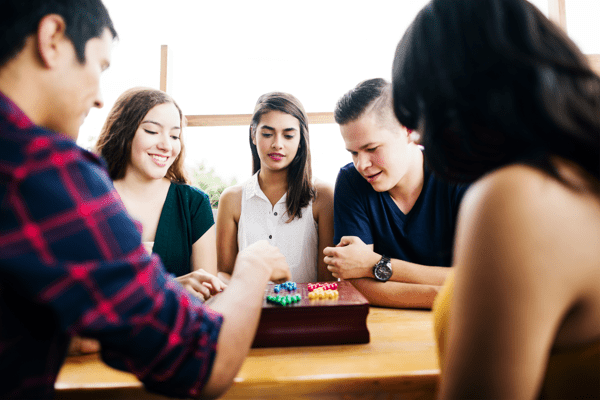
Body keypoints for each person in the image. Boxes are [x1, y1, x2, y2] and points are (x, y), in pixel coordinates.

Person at [0, 1, 290, 399]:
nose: (99, 97)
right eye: (99, 66)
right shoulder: (42, 172)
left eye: (176, 134)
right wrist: (253, 267)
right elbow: (197, 360)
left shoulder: (189, 201)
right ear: (52, 39)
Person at [392, 0, 600, 398]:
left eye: (418, 116)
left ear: (456, 101)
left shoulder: (518, 198)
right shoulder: (580, 182)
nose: (418, 138)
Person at [323, 78, 468, 308]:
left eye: (372, 149)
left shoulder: (458, 174)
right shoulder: (351, 181)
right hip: (386, 327)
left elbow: (476, 279)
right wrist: (446, 295)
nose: (362, 165)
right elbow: (356, 283)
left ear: (408, 130)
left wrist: (375, 264)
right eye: (353, 153)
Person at [96, 87, 221, 300]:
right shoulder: (90, 198)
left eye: (175, 135)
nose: (166, 145)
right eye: (152, 131)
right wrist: (168, 287)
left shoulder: (194, 204)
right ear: (123, 131)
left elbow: (209, 299)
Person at [217, 92, 335, 283]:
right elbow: (224, 273)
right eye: (267, 134)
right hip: (249, 312)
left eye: (288, 135)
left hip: (306, 311)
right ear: (253, 135)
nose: (277, 144)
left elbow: (326, 282)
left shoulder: (323, 196)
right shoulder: (232, 199)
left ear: (301, 140)